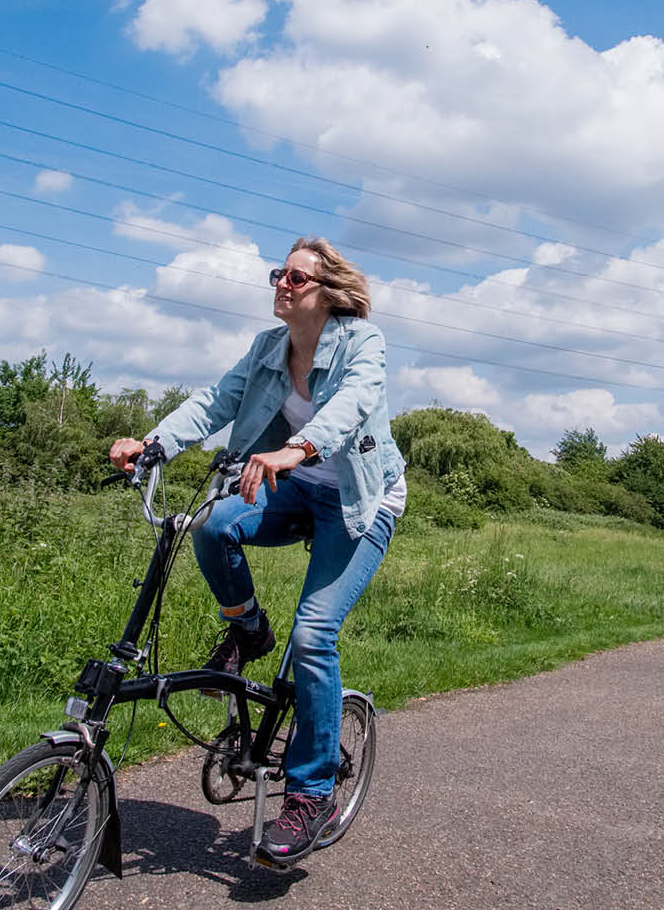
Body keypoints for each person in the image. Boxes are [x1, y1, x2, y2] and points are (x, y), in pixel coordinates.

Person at [108, 236, 407, 866]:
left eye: (297, 278)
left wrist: (296, 450)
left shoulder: (363, 343)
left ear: (329, 293)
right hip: (294, 487)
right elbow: (215, 403)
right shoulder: (269, 348)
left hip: (360, 502)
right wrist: (153, 443)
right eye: (280, 273)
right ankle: (247, 631)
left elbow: (352, 407)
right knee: (212, 525)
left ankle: (311, 793)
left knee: (315, 636)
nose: (283, 284)